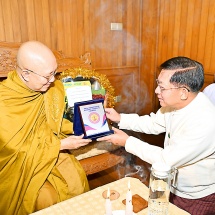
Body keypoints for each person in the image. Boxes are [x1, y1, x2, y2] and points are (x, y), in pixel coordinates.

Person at [97, 56, 215, 215]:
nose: (156, 91)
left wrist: (127, 142)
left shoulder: (204, 122)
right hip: (171, 185)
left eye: (162, 87)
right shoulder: (178, 103)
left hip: (196, 196)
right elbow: (154, 123)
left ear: (183, 92)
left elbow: (165, 159)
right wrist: (120, 118)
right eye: (157, 84)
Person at [0, 41, 92, 215]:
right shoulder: (4, 101)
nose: (53, 80)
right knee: (47, 198)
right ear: (26, 74)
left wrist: (85, 126)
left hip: (47, 150)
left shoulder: (49, 88)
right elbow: (15, 151)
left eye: (54, 73)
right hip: (20, 167)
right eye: (48, 75)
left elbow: (54, 123)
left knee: (76, 180)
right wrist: (61, 146)